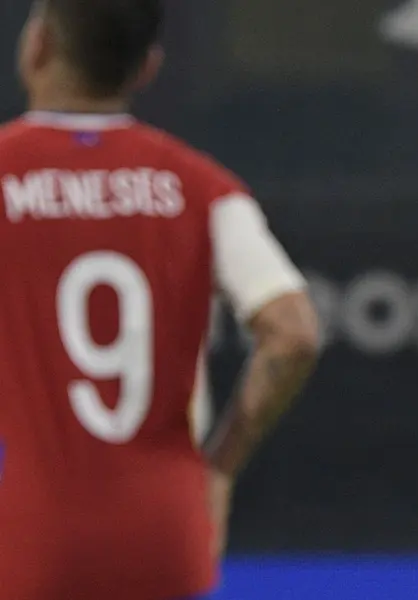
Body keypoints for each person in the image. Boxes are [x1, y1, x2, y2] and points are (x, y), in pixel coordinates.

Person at [0, 1, 321, 599]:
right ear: (147, 68)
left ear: (36, 45)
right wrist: (221, 466)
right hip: (165, 529)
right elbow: (293, 331)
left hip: (32, 531)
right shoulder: (201, 186)